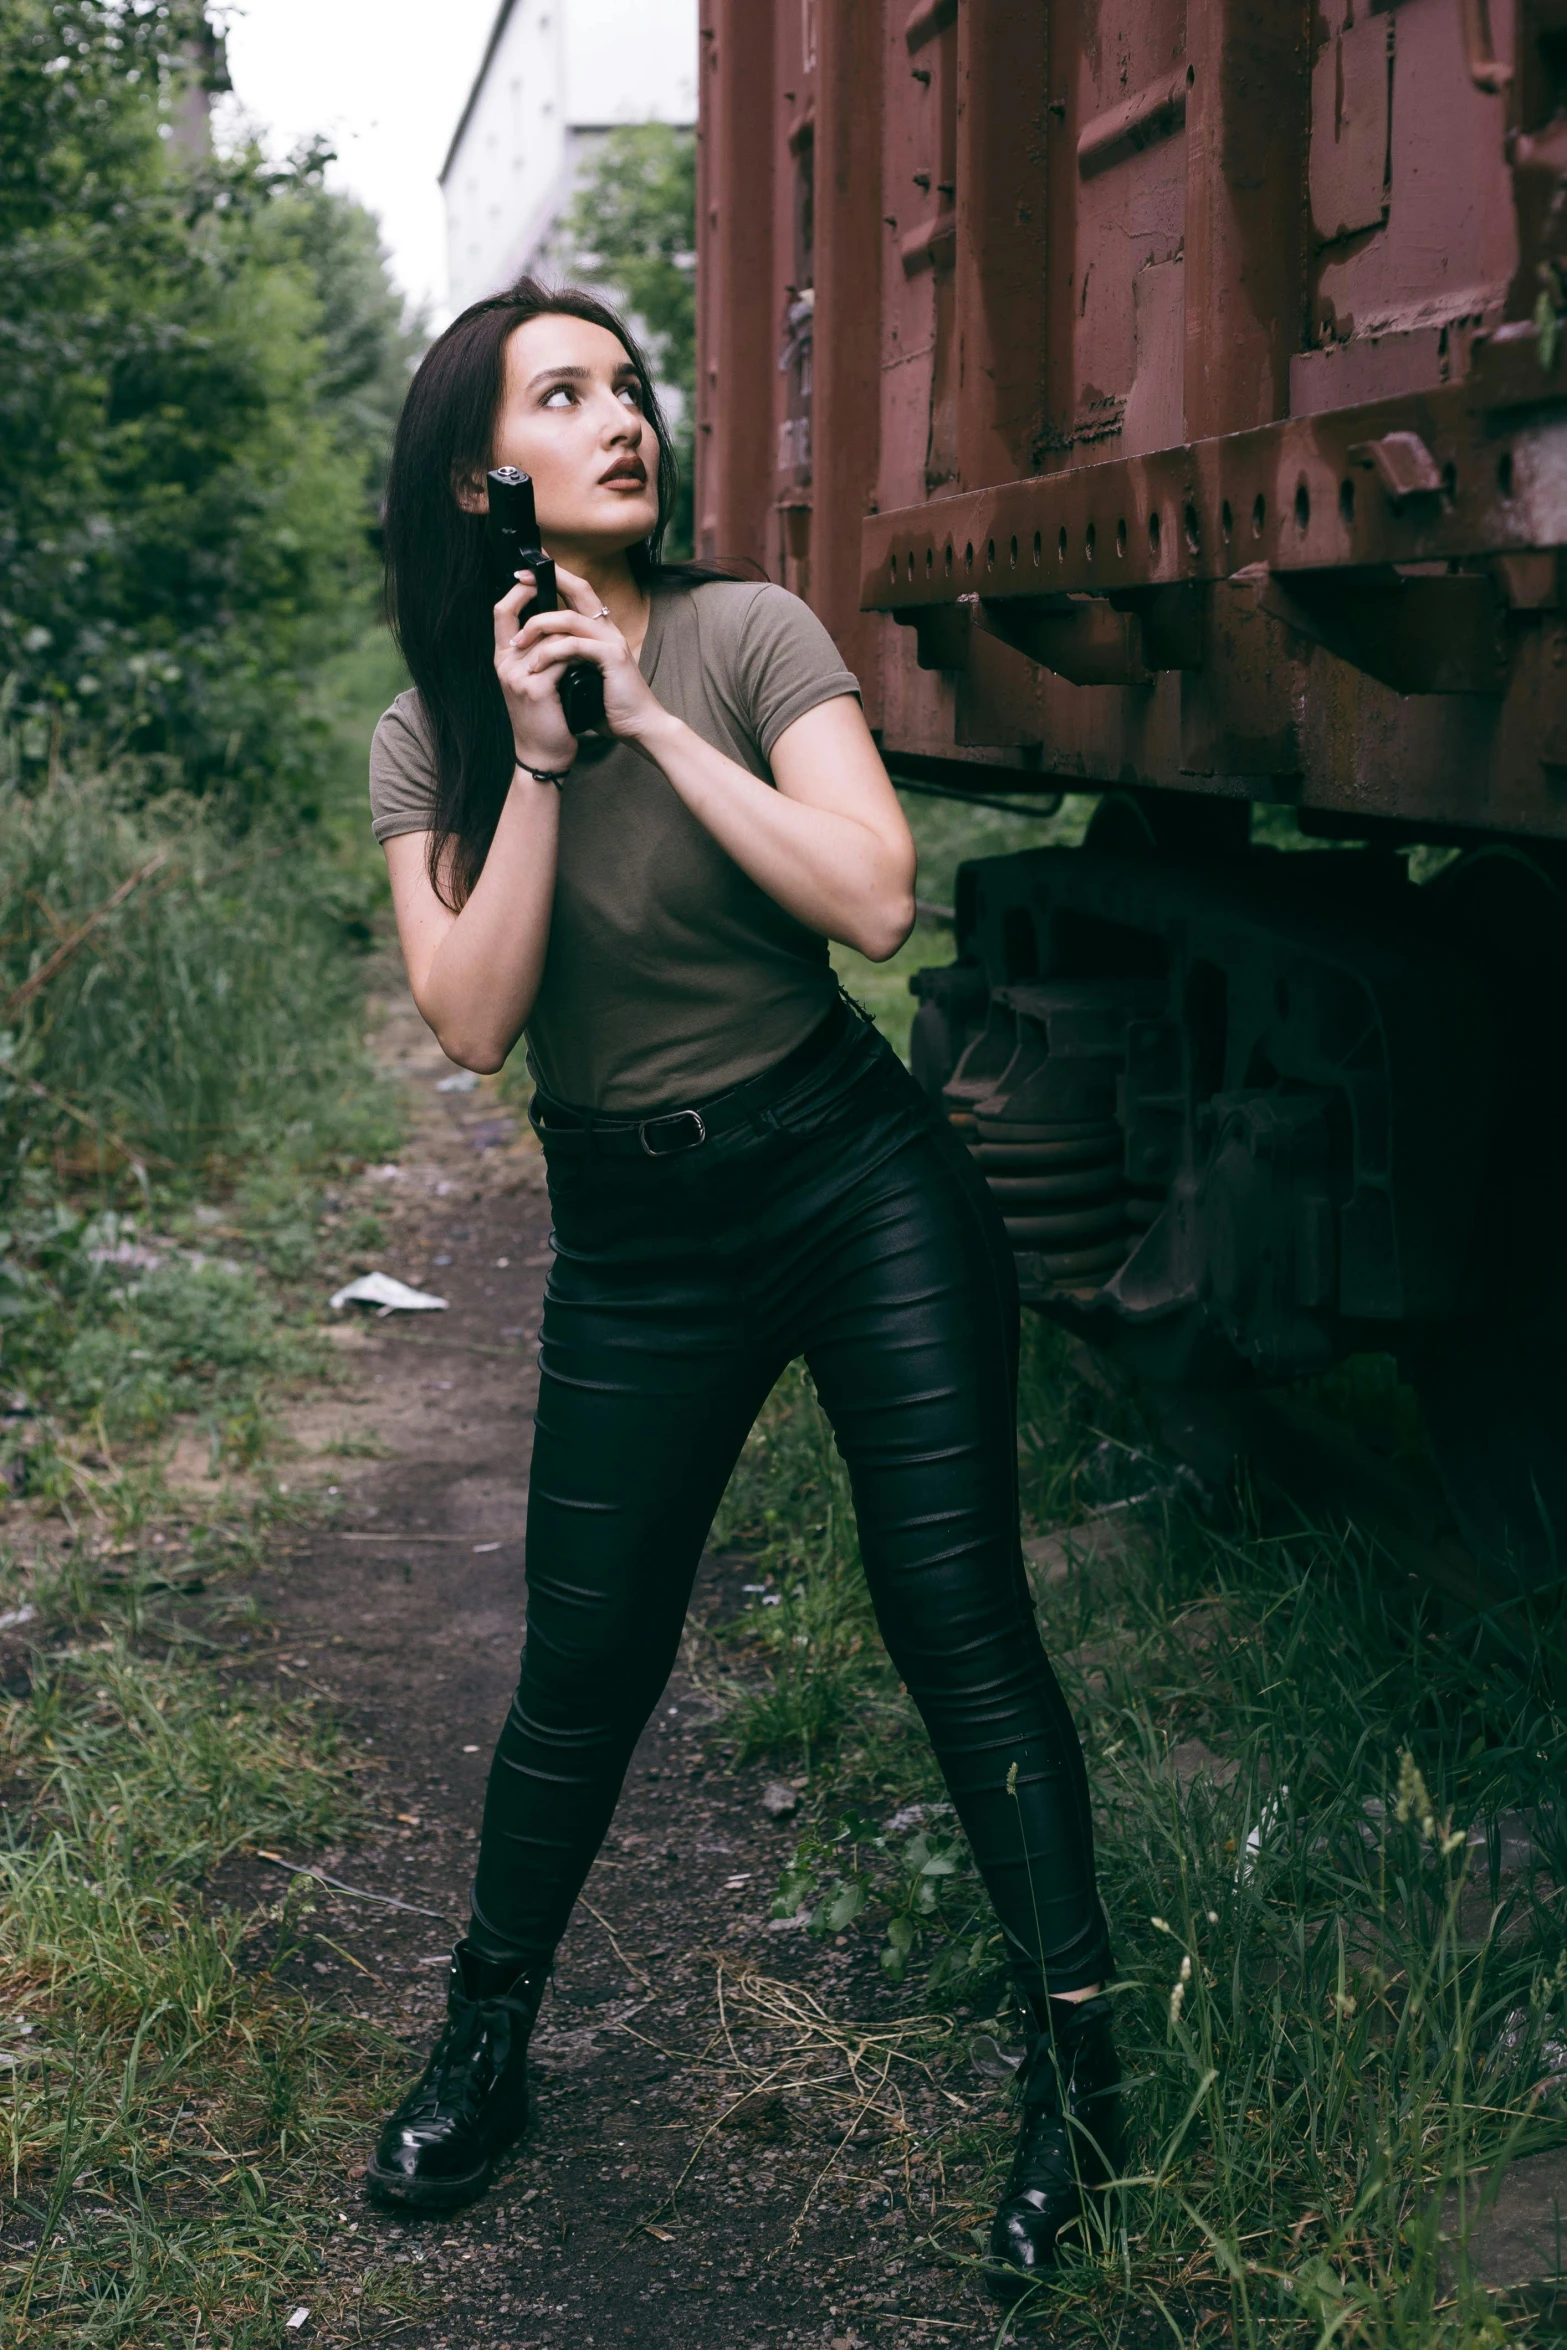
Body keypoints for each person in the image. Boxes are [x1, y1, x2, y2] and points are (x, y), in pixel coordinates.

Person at [363, 277, 1119, 2285]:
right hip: (636, 1235)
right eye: (564, 393)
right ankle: (487, 2032)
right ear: (477, 472)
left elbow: (872, 897)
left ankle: (1083, 2078)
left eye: (631, 386)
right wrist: (539, 761)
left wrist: (649, 725)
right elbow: (470, 1022)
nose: (626, 417)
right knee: (581, 1668)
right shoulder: (431, 732)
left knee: (959, 1616)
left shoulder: (750, 631)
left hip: (851, 1174)